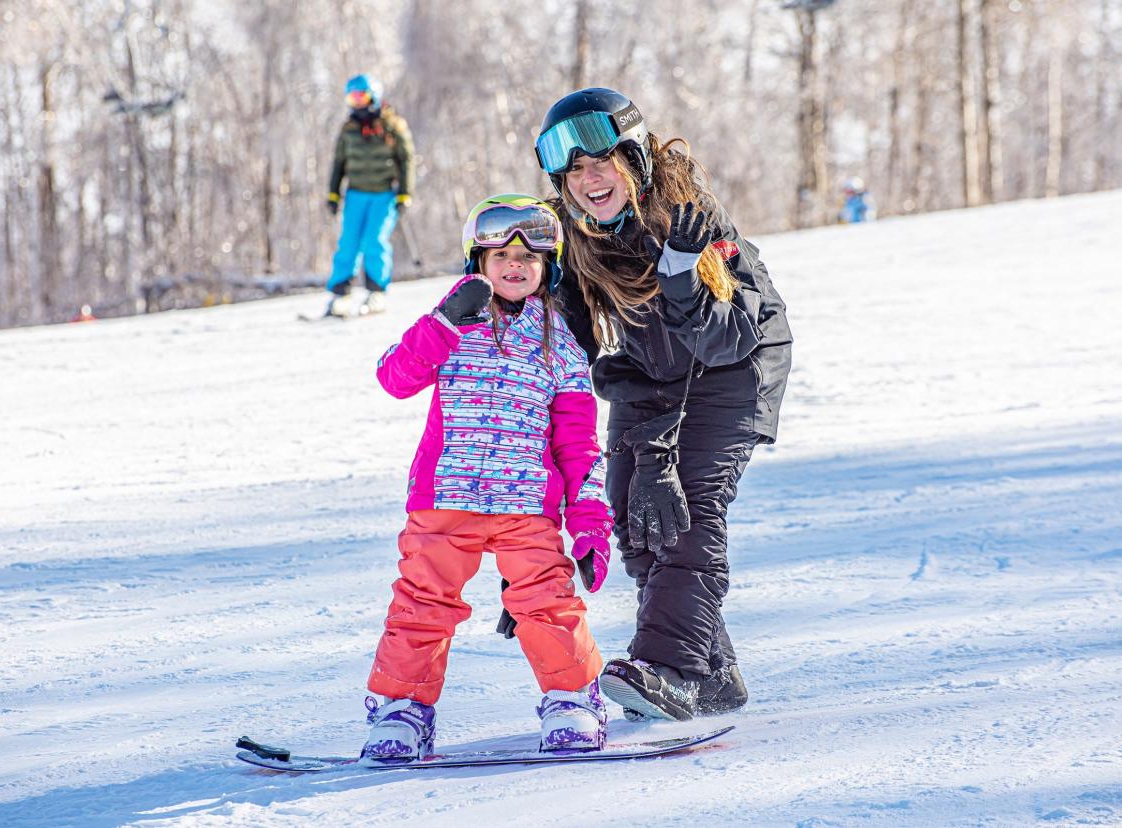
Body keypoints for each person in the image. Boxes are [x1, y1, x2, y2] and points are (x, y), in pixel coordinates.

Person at [533, 87, 793, 722]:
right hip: (652, 372)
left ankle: (670, 666)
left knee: (690, 509)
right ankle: (711, 674)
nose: (589, 181)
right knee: (637, 518)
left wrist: (680, 270)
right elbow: (576, 350)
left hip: (736, 366)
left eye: (601, 164)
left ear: (634, 160)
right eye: (574, 172)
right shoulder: (572, 236)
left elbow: (729, 337)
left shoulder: (687, 214)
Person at [362, 194, 614, 760]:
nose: (514, 263)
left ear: (547, 267)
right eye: (499, 251)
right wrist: (445, 322)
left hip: (527, 504)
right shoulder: (449, 321)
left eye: (529, 255)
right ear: (478, 259)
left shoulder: (563, 347)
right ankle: (402, 709)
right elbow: (394, 378)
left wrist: (591, 524)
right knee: (422, 603)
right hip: (445, 499)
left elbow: (578, 446)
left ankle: (573, 699)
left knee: (546, 602)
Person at [323, 74, 416, 317]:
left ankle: (377, 292)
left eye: (361, 97)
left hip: (383, 195)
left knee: (374, 241)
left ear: (374, 96)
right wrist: (333, 193)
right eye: (352, 98)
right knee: (349, 243)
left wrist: (405, 193)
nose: (357, 104)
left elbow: (406, 160)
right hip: (355, 195)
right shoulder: (349, 129)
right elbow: (339, 162)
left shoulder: (392, 125)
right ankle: (340, 293)